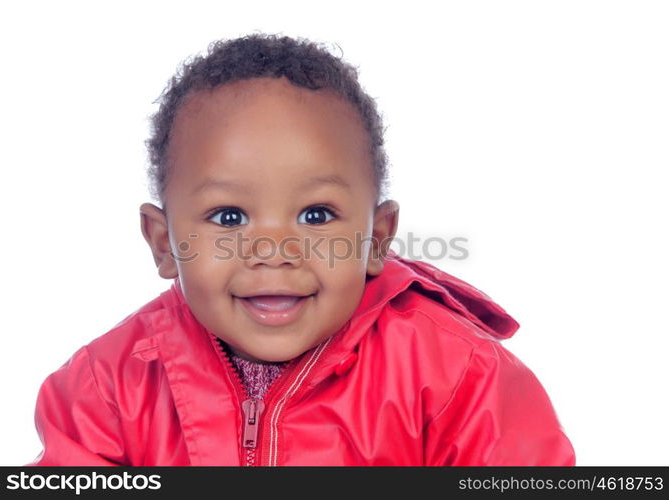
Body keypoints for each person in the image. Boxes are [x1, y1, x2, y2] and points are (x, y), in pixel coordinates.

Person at [28, 33, 575, 466]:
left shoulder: (460, 377)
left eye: (316, 215)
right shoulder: (104, 389)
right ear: (163, 244)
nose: (274, 250)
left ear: (376, 238)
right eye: (229, 217)